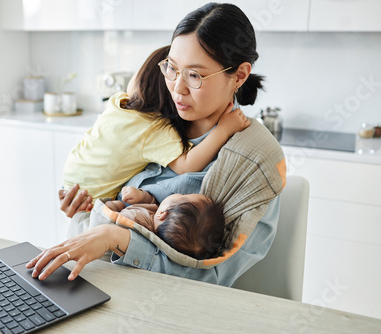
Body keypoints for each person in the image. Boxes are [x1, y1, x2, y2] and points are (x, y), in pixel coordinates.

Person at [27, 3, 280, 286]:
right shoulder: (151, 120)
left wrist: (117, 238)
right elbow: (100, 220)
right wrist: (84, 209)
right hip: (95, 283)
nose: (177, 88)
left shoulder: (254, 160)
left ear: (240, 75)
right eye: (172, 68)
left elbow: (212, 276)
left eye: (195, 75)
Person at [62, 45, 249, 201]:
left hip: (71, 177)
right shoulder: (155, 129)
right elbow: (187, 166)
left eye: (194, 75)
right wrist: (223, 130)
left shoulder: (118, 102)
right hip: (91, 197)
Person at [104, 186, 225, 259]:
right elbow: (154, 204)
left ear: (163, 213)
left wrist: (114, 205)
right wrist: (142, 196)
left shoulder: (131, 219)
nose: (178, 193)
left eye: (182, 195)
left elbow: (107, 219)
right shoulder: (159, 222)